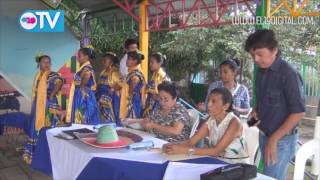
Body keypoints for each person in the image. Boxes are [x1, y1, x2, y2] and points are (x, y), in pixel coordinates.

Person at [245, 29, 305, 180]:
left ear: (274, 50)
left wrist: (274, 138)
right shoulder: (260, 72)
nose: (256, 59)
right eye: (253, 56)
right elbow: (263, 99)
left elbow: (298, 112)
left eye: (259, 54)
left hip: (281, 140)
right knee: (267, 176)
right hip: (264, 134)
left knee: (271, 177)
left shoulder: (288, 74)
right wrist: (256, 110)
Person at [163, 88, 249, 164]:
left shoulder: (234, 122)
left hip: (237, 167)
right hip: (218, 163)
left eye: (213, 101)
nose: (208, 104)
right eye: (209, 100)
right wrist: (171, 145)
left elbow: (216, 151)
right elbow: (191, 142)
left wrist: (182, 150)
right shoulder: (211, 120)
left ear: (225, 106)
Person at [23, 54, 63, 164]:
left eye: (48, 62)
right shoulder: (38, 75)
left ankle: (48, 155)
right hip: (38, 106)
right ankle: (35, 154)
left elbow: (59, 82)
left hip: (48, 107)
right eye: (44, 62)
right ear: (39, 63)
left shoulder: (52, 74)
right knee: (34, 128)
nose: (47, 64)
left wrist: (51, 96)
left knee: (47, 128)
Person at [66, 47, 100, 124]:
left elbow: (87, 75)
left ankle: (83, 130)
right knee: (80, 113)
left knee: (83, 113)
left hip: (83, 93)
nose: (78, 58)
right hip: (83, 92)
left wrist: (81, 86)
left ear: (86, 57)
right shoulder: (84, 67)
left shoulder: (86, 67)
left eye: (80, 56)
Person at [96, 52, 121, 125]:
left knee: (109, 119)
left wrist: (113, 89)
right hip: (100, 99)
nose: (103, 62)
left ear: (111, 62)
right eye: (103, 60)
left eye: (105, 60)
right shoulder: (103, 72)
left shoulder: (114, 72)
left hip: (110, 100)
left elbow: (121, 83)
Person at [120, 51, 146, 120]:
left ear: (135, 61)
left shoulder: (136, 72)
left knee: (132, 121)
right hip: (133, 99)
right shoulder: (133, 71)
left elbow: (135, 80)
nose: (127, 61)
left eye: (129, 59)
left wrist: (130, 94)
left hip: (134, 100)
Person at [143, 52, 171, 117]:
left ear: (159, 63)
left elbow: (164, 93)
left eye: (152, 62)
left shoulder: (162, 76)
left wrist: (149, 90)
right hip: (152, 103)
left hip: (159, 105)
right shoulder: (155, 74)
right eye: (150, 62)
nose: (150, 64)